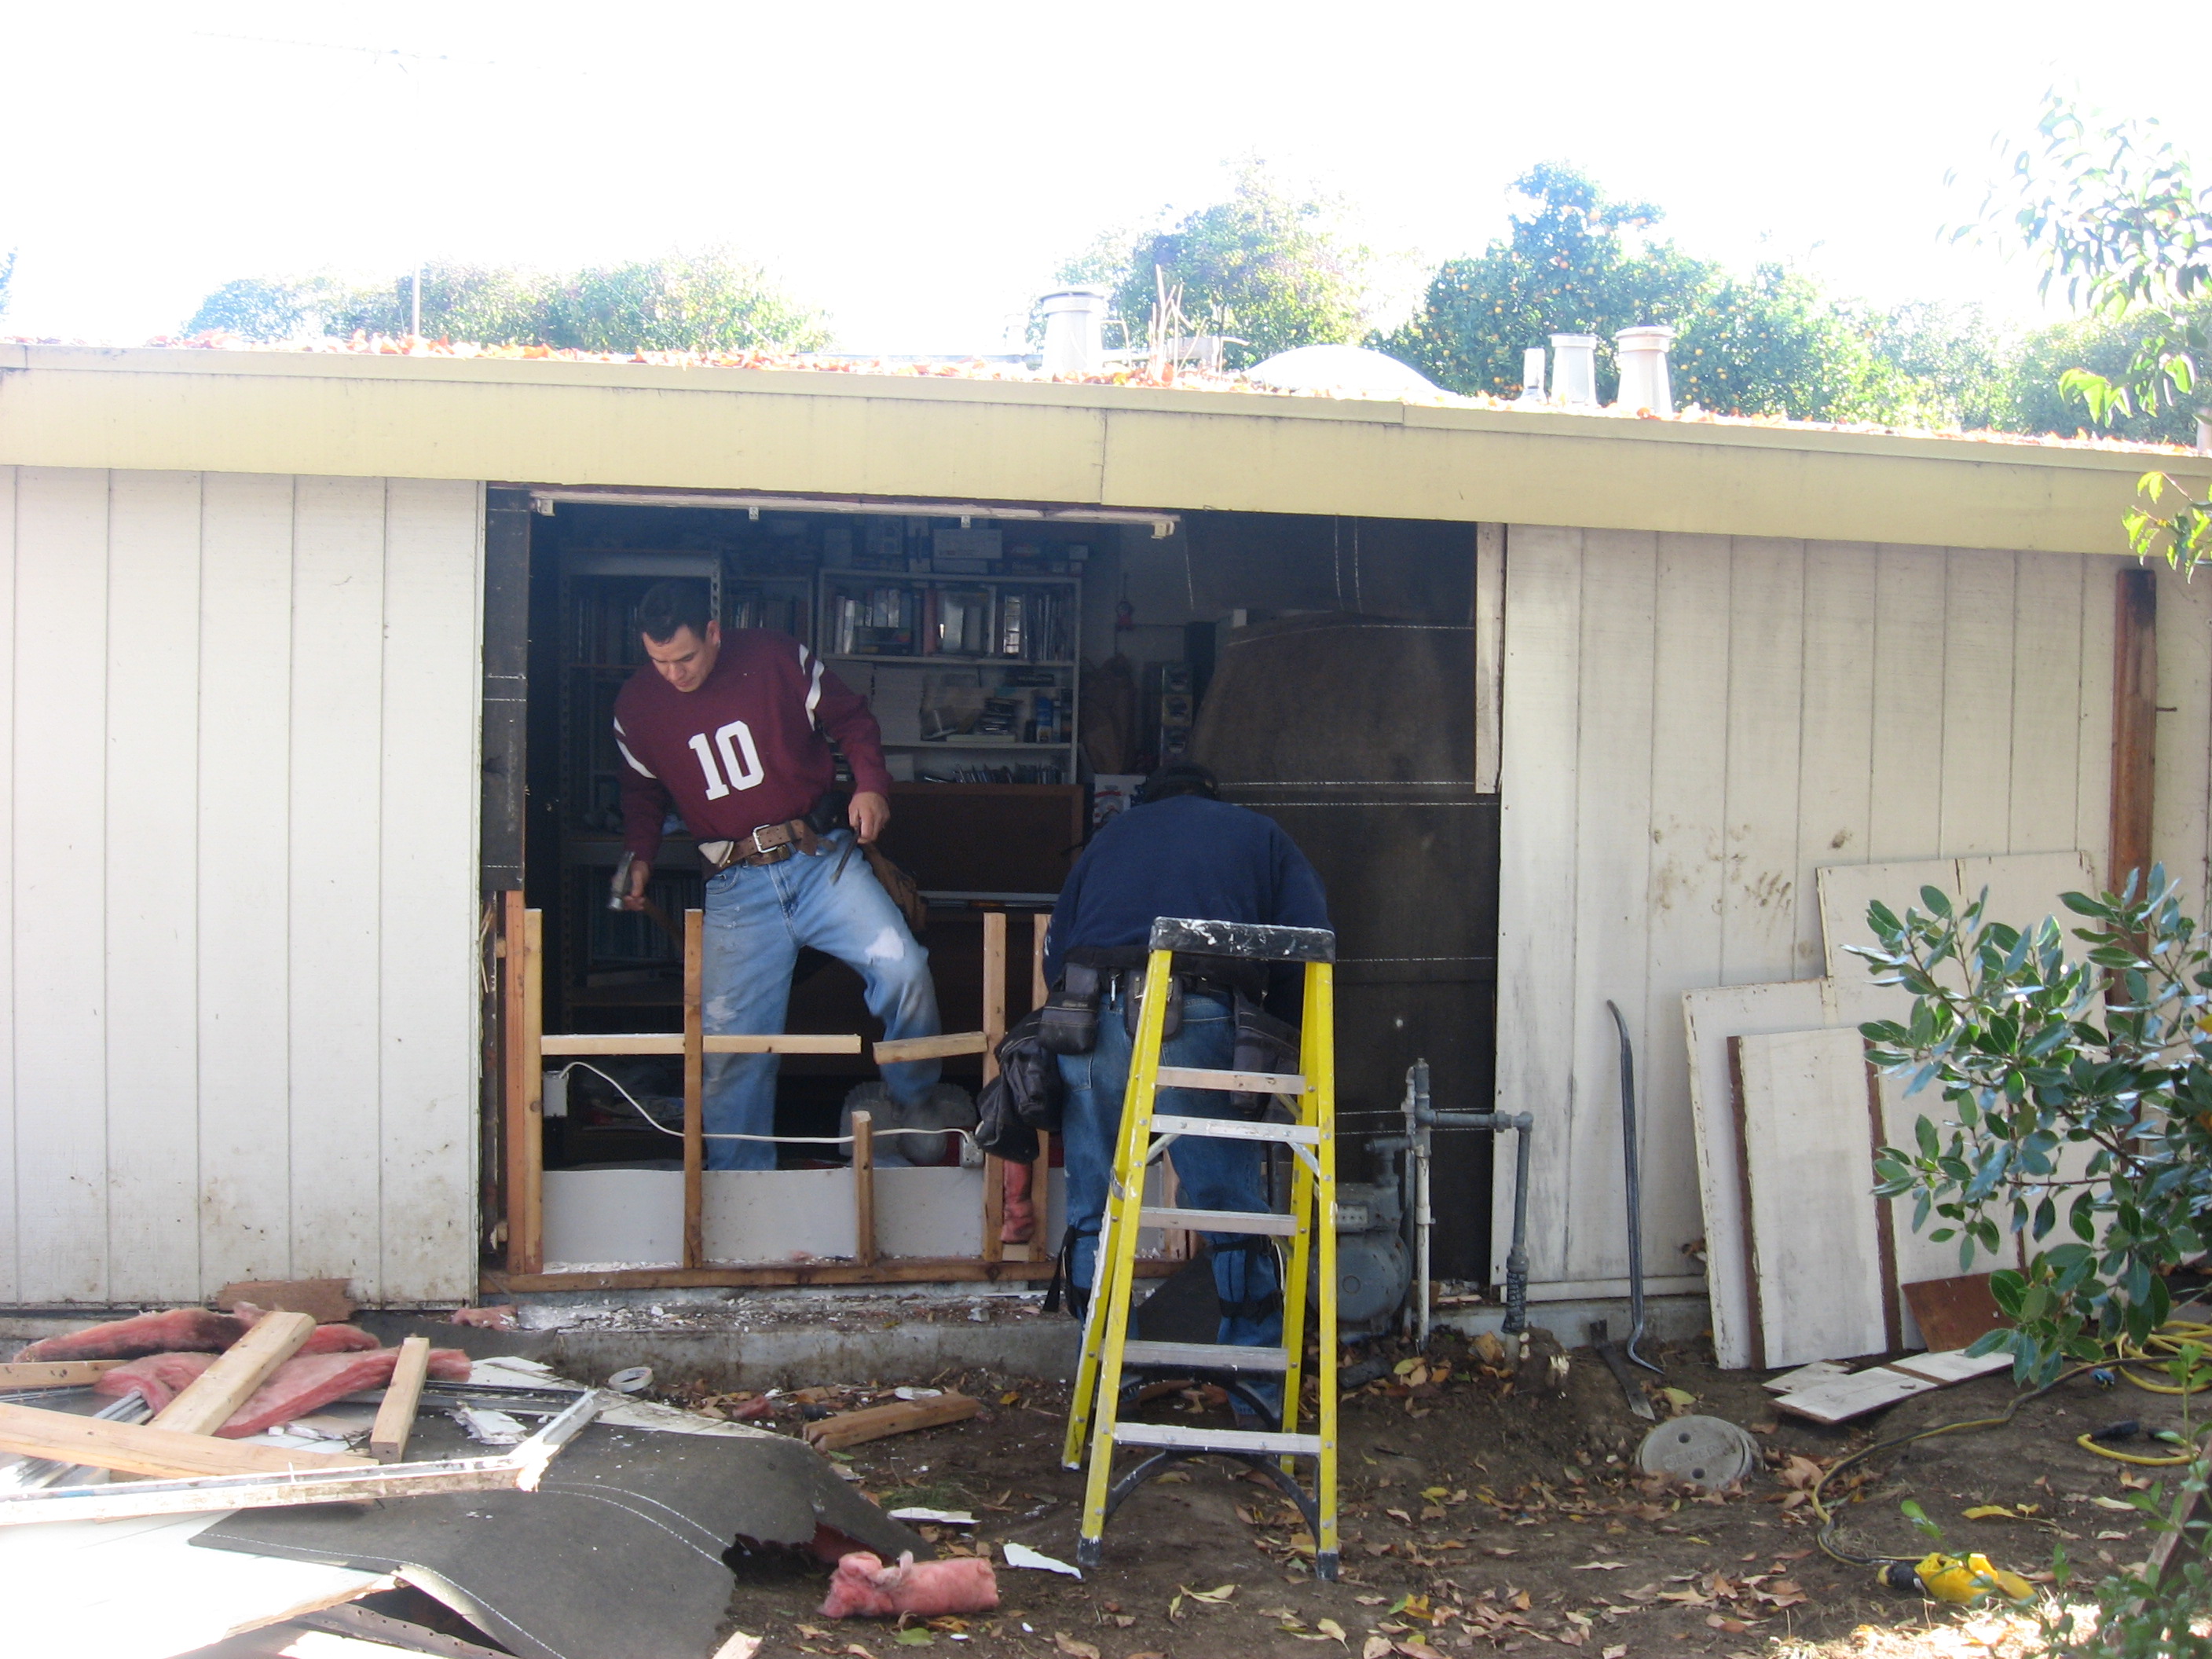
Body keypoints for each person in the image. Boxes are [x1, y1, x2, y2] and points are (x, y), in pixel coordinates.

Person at [613, 580, 959, 1170]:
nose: (673, 674)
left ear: (714, 633)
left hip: (822, 861)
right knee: (731, 1048)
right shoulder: (636, 706)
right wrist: (639, 855)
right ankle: (739, 1191)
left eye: (685, 658)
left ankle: (911, 1100)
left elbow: (852, 720)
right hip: (735, 885)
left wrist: (872, 786)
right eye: (659, 661)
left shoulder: (774, 656)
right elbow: (641, 795)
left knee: (904, 969)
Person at [1043, 761, 1330, 1421]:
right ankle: (1254, 1398)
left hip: (1085, 1019)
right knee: (1230, 1210)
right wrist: (1278, 1045)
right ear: (1213, 798)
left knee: (1094, 1213)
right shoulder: (1259, 835)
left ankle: (1106, 1392)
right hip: (1194, 1013)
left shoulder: (1110, 840)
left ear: (1147, 801)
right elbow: (1309, 947)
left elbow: (1056, 954)